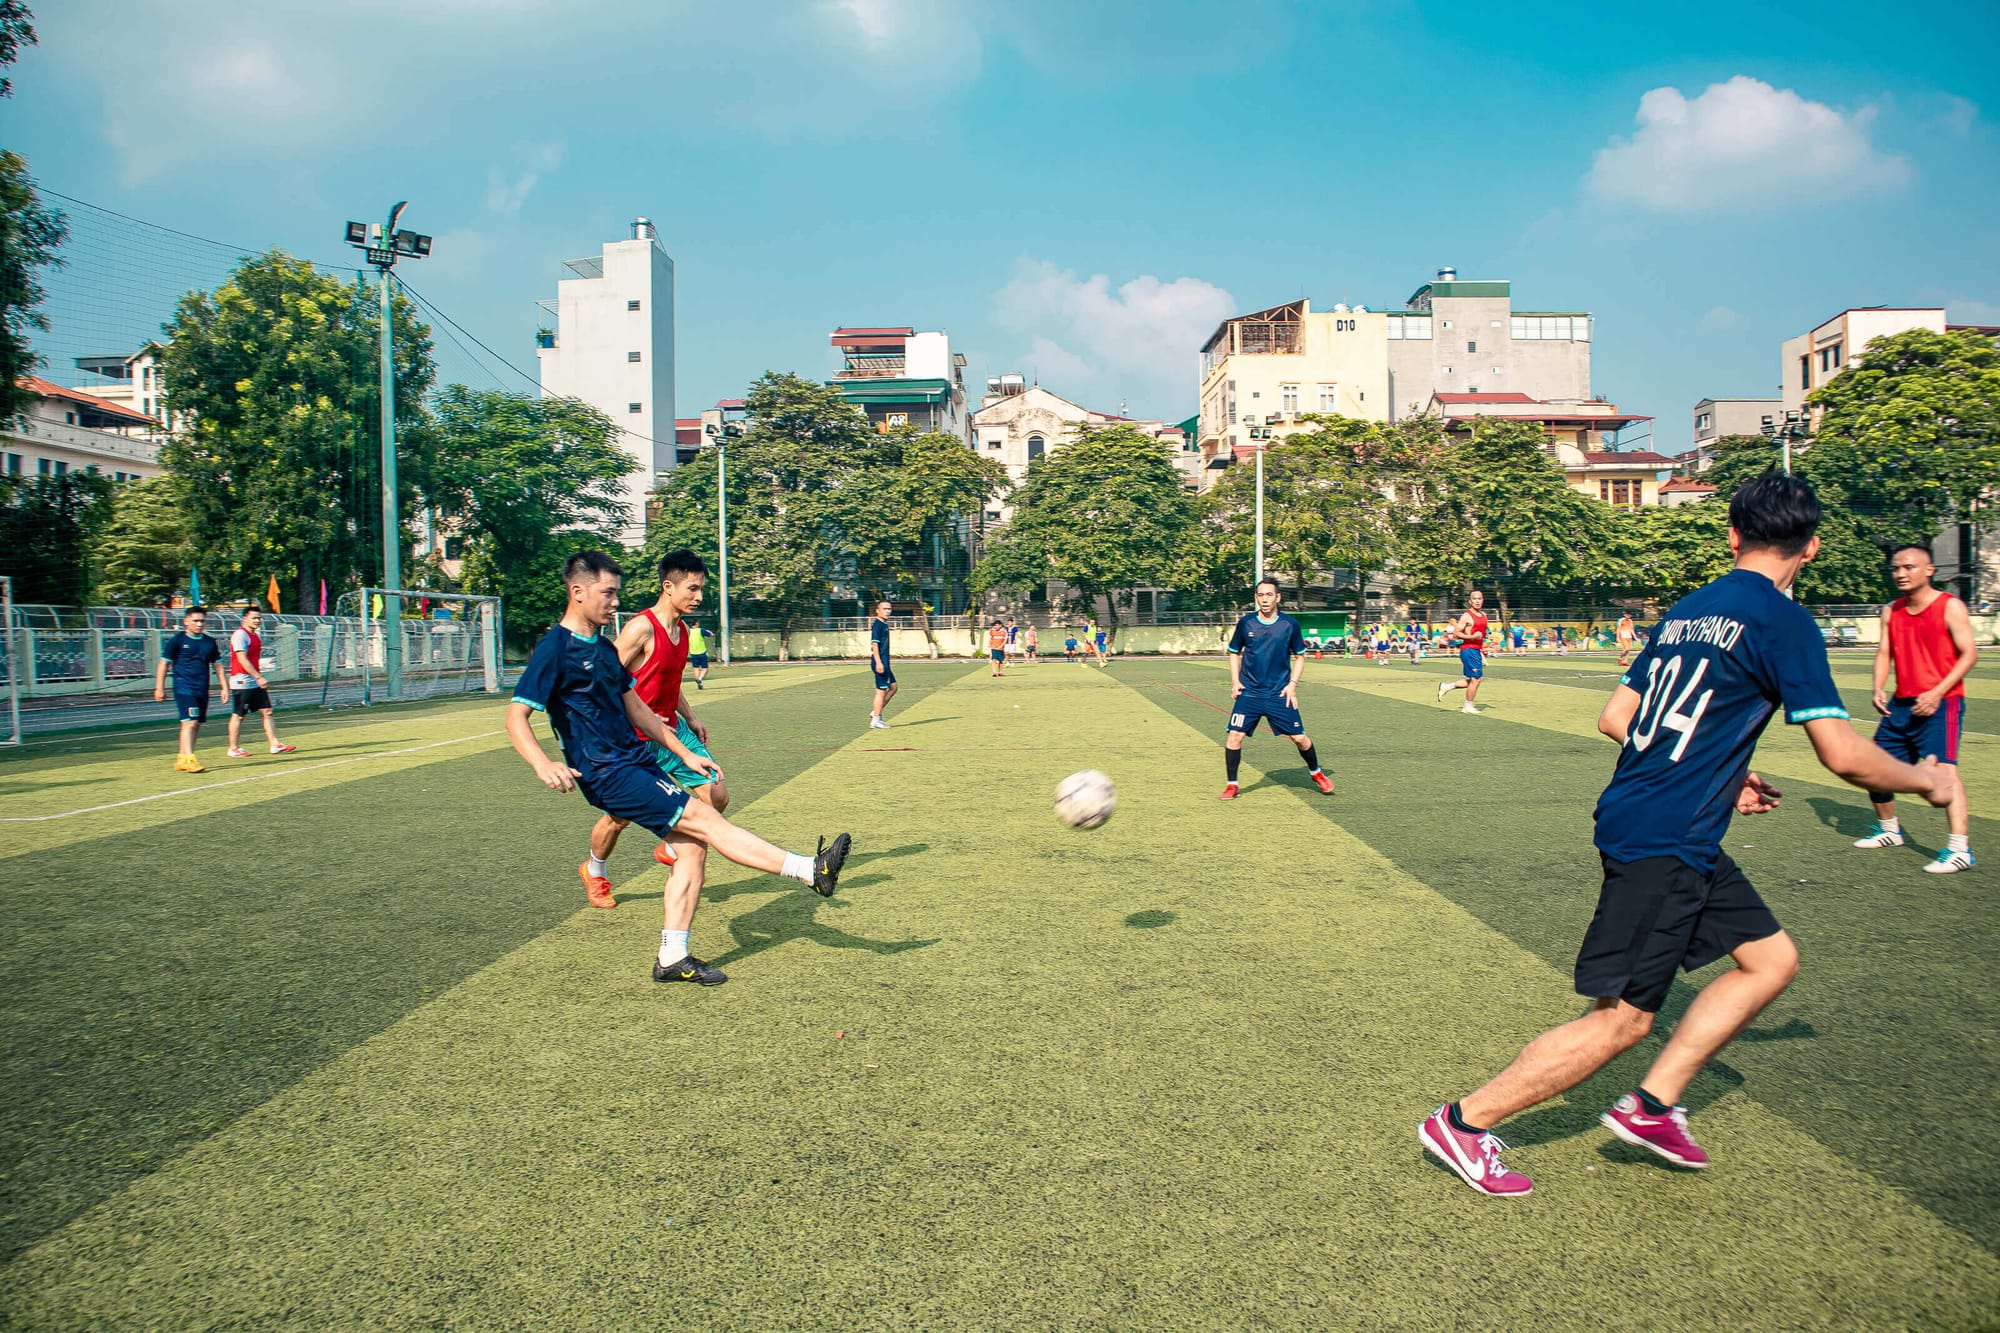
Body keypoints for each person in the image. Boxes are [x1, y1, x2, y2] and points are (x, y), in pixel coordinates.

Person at [1418, 473, 1960, 1197]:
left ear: (1733, 535)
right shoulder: (1784, 620)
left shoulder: (1688, 611)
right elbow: (1840, 752)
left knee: (1770, 961)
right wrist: (1928, 779)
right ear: (1813, 546)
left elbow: (1618, 715)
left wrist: (1727, 771)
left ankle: (1651, 1106)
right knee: (1622, 1022)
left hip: (1658, 819)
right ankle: (1464, 1121)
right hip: (1666, 836)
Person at [507, 550, 852, 987]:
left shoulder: (602, 648)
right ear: (578, 592)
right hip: (607, 771)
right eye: (607, 593)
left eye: (617, 593)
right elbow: (516, 716)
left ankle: (672, 956)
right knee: (706, 821)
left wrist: (685, 751)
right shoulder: (555, 649)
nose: (615, 602)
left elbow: (638, 709)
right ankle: (809, 870)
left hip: (637, 759)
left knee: (691, 848)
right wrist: (543, 762)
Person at [578, 549, 725, 911]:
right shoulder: (642, 628)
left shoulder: (683, 632)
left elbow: (669, 683)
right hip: (635, 738)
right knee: (619, 818)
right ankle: (594, 870)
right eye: (692, 588)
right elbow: (601, 678)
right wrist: (632, 717)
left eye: (701, 588)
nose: (699, 596)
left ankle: (672, 847)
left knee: (716, 792)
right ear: (667, 587)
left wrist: (690, 717)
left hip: (673, 731)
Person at [1850, 544, 1979, 873]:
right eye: (1896, 568)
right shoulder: (1891, 610)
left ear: (1929, 570)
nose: (1900, 574)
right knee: (1874, 771)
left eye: (1908, 567)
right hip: (1901, 706)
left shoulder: (1951, 607)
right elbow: (1884, 653)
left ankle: (1960, 849)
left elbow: (1969, 654)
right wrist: (1878, 687)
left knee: (1944, 773)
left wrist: (1938, 692)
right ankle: (1890, 831)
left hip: (1942, 704)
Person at [1221, 578, 1335, 801]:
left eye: (1269, 595)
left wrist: (1292, 685)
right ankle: (1232, 785)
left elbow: (1300, 657)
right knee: (1234, 736)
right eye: (1260, 595)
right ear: (1256, 598)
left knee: (1300, 739)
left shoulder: (1289, 625)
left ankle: (1316, 773)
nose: (1264, 599)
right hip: (1250, 694)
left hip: (1278, 694)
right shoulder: (1246, 623)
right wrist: (1235, 681)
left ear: (1278, 597)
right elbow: (1234, 652)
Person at [154, 606, 229, 773]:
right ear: (186, 621)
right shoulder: (178, 640)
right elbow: (164, 663)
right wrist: (159, 688)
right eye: (195, 620)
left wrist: (225, 687)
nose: (199, 624)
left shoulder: (209, 642)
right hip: (184, 687)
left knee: (196, 724)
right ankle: (190, 758)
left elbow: (218, 665)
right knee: (189, 722)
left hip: (202, 688)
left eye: (202, 621)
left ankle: (182, 758)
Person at [225, 607, 298, 758]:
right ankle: (233, 748)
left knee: (267, 711)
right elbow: (242, 659)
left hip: (253, 680)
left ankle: (275, 744)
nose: (257, 621)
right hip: (242, 680)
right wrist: (258, 677)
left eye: (259, 618)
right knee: (239, 714)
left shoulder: (255, 636)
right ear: (245, 618)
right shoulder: (240, 635)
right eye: (254, 618)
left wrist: (256, 678)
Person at [1436, 591, 1490, 714]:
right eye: (1474, 599)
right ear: (1470, 601)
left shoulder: (1484, 615)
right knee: (1476, 679)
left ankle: (1446, 687)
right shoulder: (1467, 616)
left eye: (1479, 598)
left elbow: (1480, 634)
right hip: (1468, 649)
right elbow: (1456, 633)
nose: (1477, 601)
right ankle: (1467, 706)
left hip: (1476, 650)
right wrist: (1472, 636)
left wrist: (1484, 642)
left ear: (1482, 600)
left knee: (1474, 680)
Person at [868, 600, 897, 729]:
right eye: (884, 609)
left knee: (894, 687)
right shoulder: (878, 625)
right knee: (881, 691)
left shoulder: (884, 624)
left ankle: (876, 711)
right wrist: (879, 663)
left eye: (889, 609)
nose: (887, 611)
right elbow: (874, 644)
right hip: (880, 662)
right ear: (878, 610)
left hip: (885, 662)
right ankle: (875, 720)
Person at [687, 618, 710, 690]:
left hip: (693, 653)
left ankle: (698, 682)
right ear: (696, 623)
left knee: (696, 668)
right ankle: (700, 679)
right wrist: (709, 631)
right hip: (702, 652)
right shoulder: (701, 630)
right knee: (705, 669)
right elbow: (711, 634)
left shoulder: (688, 631)